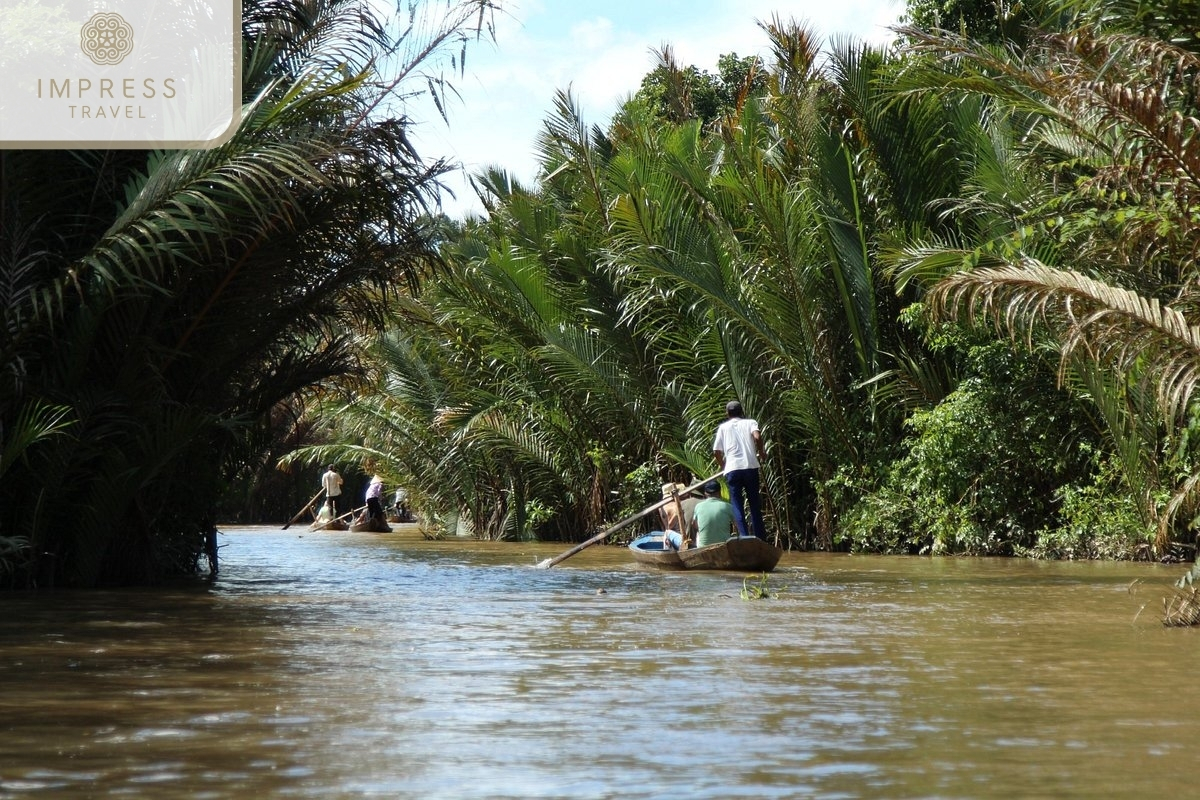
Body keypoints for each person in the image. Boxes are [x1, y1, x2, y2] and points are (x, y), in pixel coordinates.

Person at [712, 400, 767, 540]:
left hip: (733, 470)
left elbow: (716, 451)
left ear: (727, 413)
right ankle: (760, 538)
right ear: (741, 412)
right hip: (750, 467)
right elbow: (757, 436)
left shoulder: (723, 428)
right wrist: (761, 452)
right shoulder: (750, 422)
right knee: (754, 504)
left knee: (737, 505)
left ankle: (744, 537)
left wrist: (723, 465)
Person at [690, 481, 736, 547]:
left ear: (705, 493)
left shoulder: (698, 506)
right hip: (725, 546)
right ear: (720, 492)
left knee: (698, 533)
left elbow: (695, 525)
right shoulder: (728, 506)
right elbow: (737, 525)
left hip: (703, 547)